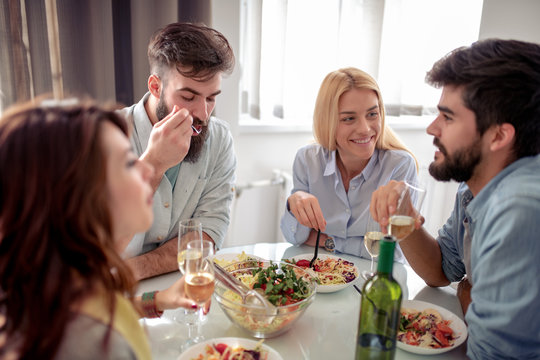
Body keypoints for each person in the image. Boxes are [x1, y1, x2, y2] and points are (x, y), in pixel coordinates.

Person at [370, 39, 540, 359]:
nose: (432, 128)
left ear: (499, 136)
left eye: (447, 117)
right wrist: (403, 216)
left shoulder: (520, 209)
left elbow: (491, 355)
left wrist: (467, 297)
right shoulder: (475, 185)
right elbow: (442, 270)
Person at [0, 99, 201, 359]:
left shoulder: (47, 295)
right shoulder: (99, 346)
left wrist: (157, 300)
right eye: (128, 163)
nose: (145, 169)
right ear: (74, 198)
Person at [119, 22, 236, 280]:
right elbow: (99, 242)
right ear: (155, 87)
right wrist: (152, 165)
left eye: (211, 98)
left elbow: (209, 233)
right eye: (188, 97)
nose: (203, 114)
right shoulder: (104, 138)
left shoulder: (220, 139)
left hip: (179, 288)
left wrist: (133, 269)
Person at [280, 67, 418, 258]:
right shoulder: (307, 160)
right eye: (349, 118)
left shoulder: (399, 166)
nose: (365, 128)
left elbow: (395, 252)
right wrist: (293, 204)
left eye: (372, 114)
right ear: (327, 121)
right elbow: (295, 237)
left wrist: (328, 241)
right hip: (322, 276)